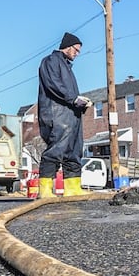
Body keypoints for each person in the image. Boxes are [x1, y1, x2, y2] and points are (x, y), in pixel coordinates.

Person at [37, 32, 91, 198]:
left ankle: (73, 187)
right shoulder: (51, 61)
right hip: (56, 113)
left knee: (74, 150)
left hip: (71, 114)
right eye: (76, 49)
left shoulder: (66, 66)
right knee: (56, 149)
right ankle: (45, 189)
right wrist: (74, 99)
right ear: (67, 47)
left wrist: (81, 103)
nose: (77, 53)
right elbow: (54, 84)